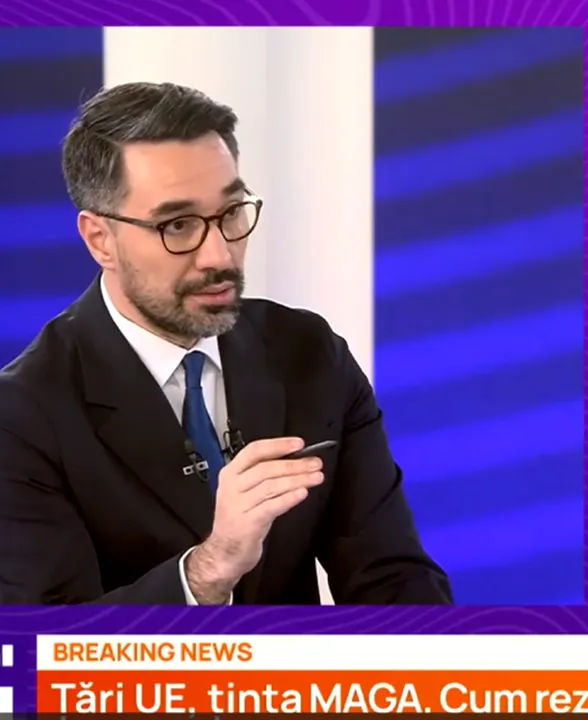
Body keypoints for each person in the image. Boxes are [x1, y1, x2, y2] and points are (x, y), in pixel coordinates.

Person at [0, 82, 452, 605]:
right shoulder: (23, 416)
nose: (219, 255)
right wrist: (208, 571)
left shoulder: (309, 354)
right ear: (100, 239)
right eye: (178, 225)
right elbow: (50, 644)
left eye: (232, 212)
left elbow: (393, 576)